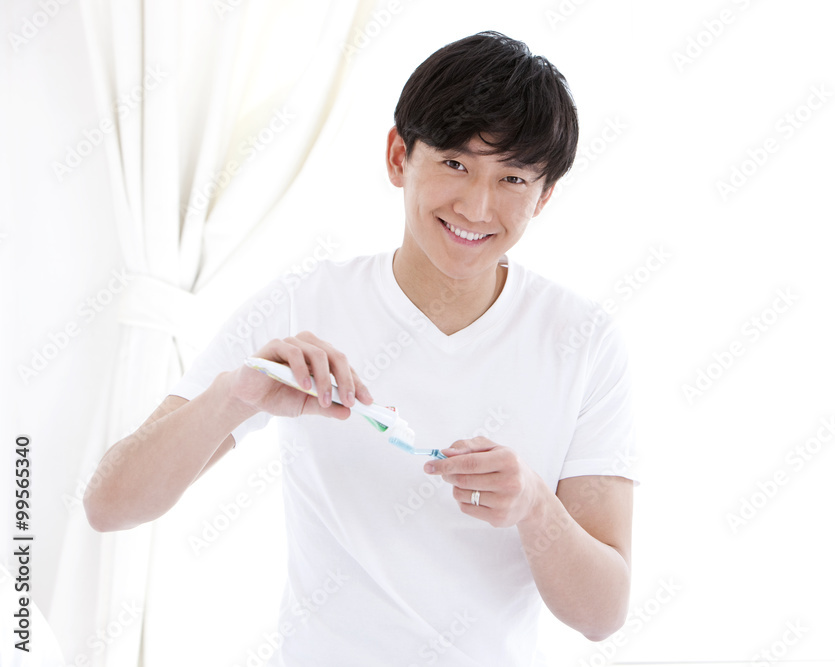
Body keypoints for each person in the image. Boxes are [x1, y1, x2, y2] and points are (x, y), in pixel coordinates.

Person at [84, 31, 638, 665]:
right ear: (399, 155)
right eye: (455, 163)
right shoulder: (303, 305)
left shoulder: (583, 342)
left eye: (512, 177)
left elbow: (603, 614)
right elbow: (109, 506)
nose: (477, 206)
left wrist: (536, 507)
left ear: (544, 198)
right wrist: (231, 398)